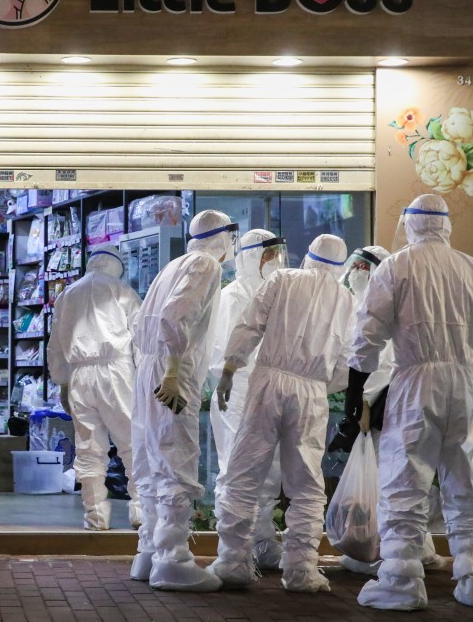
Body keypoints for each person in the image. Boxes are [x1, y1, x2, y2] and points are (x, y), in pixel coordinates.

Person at [346, 193, 473, 610]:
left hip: (414, 382)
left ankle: (401, 580)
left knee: (405, 482)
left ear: (410, 224)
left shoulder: (397, 266)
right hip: (464, 385)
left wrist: (355, 393)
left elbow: (368, 335)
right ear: (445, 225)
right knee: (463, 482)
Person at [210, 234, 353, 593]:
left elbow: (250, 324)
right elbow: (350, 359)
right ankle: (301, 570)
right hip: (311, 391)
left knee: (243, 474)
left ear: (308, 257)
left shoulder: (282, 279)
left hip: (267, 382)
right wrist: (323, 386)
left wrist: (229, 369)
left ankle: (233, 561)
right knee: (305, 485)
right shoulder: (346, 298)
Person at [128, 209, 239, 592]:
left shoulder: (174, 263)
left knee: (152, 462)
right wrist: (173, 372)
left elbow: (141, 322)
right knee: (176, 460)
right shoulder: (206, 264)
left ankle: (148, 553)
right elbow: (176, 318)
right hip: (171, 371)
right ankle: (172, 560)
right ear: (224, 236)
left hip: (148, 369)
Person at [332, 245, 444, 576]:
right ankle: (415, 548)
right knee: (403, 479)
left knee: (390, 480)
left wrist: (364, 401)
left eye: (364, 268)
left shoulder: (385, 308)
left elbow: (381, 361)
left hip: (389, 405)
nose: (356, 274)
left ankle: (388, 553)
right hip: (400, 403)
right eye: (355, 267)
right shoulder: (367, 306)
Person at [207, 229, 288, 570]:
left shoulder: (279, 293)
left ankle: (263, 540)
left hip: (268, 391)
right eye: (268, 255)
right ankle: (233, 547)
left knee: (270, 469)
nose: (275, 261)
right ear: (252, 257)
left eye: (277, 255)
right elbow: (221, 352)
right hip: (237, 391)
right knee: (236, 469)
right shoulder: (233, 296)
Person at [47, 244, 142, 531]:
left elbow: (55, 344)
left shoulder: (66, 294)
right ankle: (141, 512)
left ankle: (95, 515)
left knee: (88, 447)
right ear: (116, 265)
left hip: (80, 374)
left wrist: (63, 383)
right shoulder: (123, 290)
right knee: (132, 442)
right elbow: (140, 336)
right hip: (118, 370)